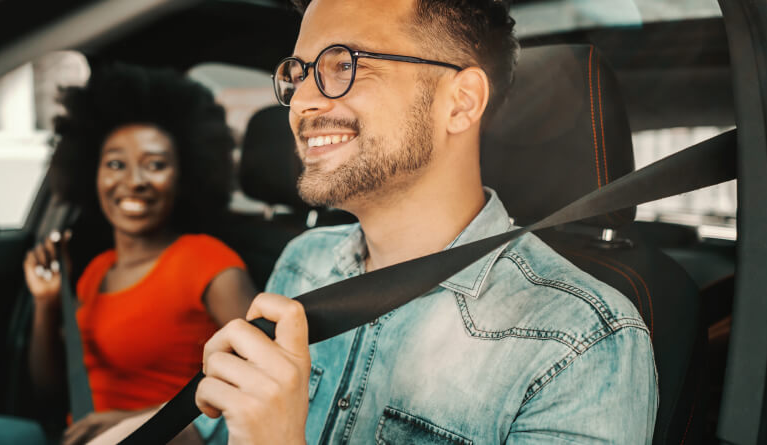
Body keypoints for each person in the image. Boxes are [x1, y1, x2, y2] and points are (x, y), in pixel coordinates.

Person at [91, 0, 658, 443]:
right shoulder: (304, 262)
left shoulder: (581, 340)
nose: (304, 101)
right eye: (299, 71)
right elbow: (224, 430)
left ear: (459, 102)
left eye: (345, 64)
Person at [24, 63, 256, 444]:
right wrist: (47, 304)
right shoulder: (97, 270)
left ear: (183, 177)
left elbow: (259, 388)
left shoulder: (209, 264)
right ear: (91, 173)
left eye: (155, 165)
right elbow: (50, 391)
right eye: (116, 164)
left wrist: (134, 421)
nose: (134, 181)